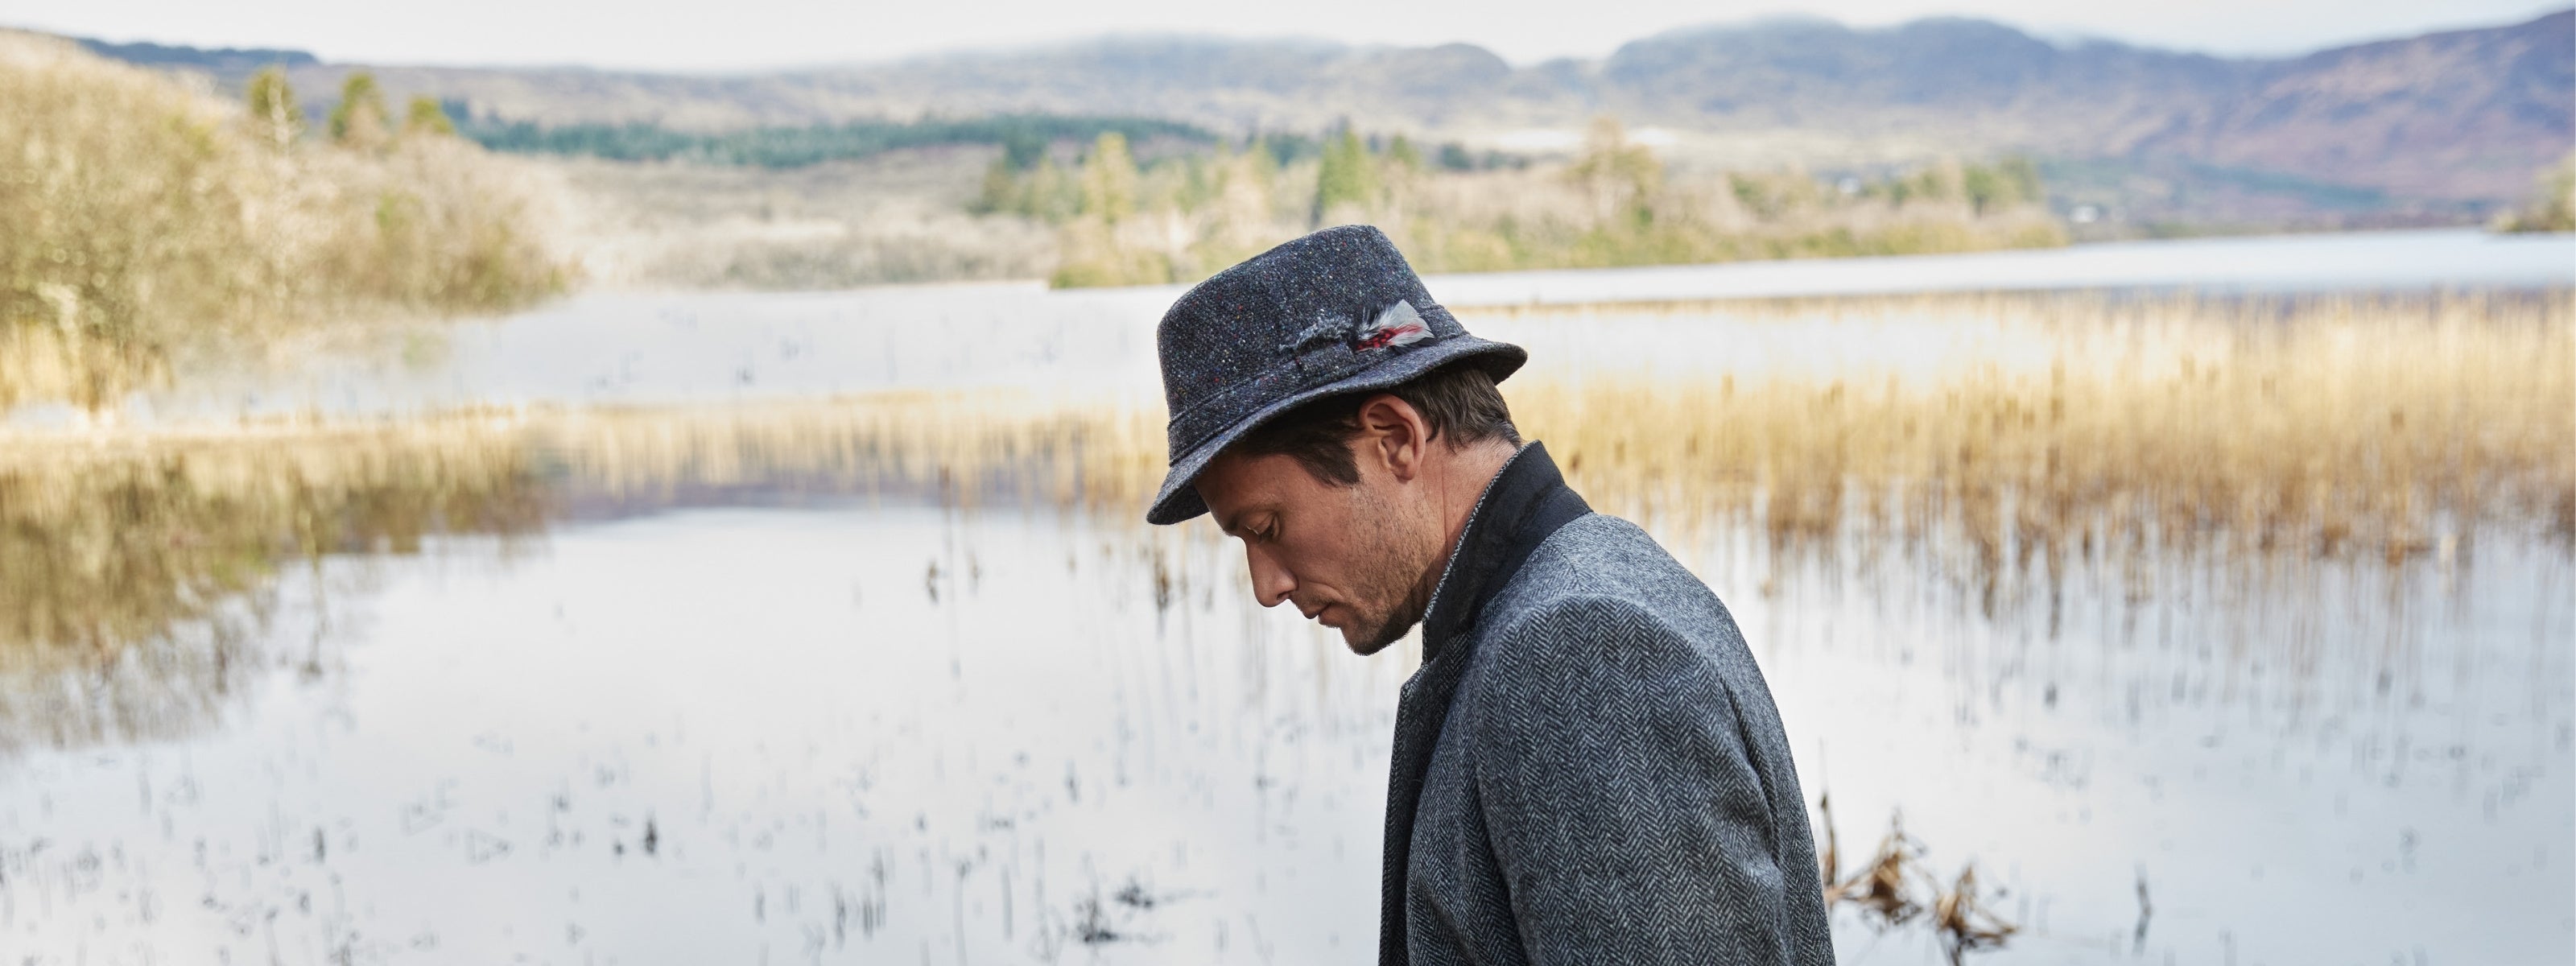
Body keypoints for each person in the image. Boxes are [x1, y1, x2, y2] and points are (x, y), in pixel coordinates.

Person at [1144, 225, 1835, 965]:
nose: (1266, 585)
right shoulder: (1579, 591)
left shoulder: (1577, 654)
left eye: (1268, 526)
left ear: (1395, 440)